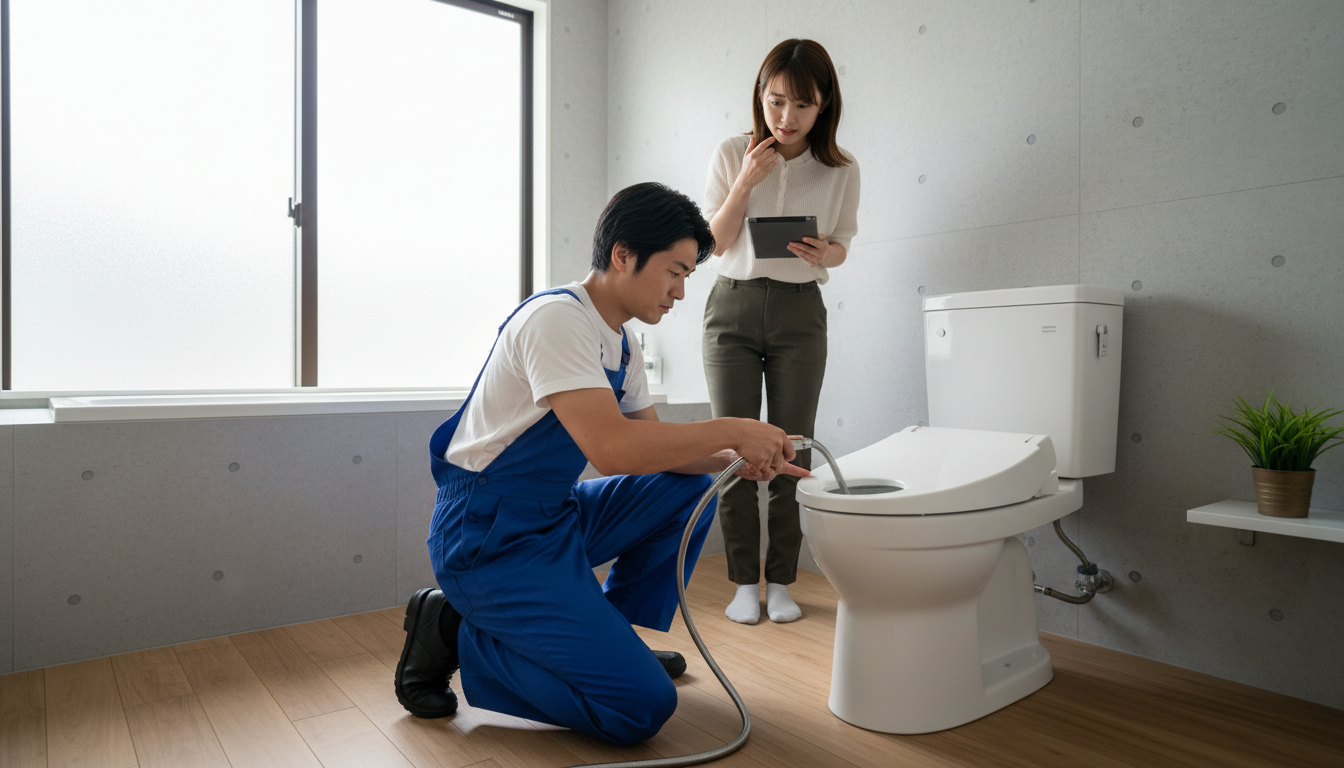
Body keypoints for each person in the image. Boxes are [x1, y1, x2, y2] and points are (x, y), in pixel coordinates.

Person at [393, 182, 809, 745]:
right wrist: (735, 428)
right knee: (640, 708)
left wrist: (734, 461)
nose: (680, 293)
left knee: (686, 487)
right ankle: (451, 629)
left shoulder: (623, 343)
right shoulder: (556, 320)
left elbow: (656, 451)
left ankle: (609, 636)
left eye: (687, 276)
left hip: (553, 516)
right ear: (622, 255)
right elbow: (612, 451)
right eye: (675, 271)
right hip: (488, 534)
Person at [702, 39, 860, 625]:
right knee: (735, 450)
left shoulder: (841, 169)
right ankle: (745, 580)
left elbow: (843, 245)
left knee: (793, 447)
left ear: (824, 107)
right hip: (732, 308)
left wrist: (827, 250)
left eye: (801, 105)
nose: (785, 118)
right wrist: (745, 180)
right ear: (760, 98)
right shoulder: (729, 153)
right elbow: (712, 244)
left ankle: (784, 580)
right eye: (774, 102)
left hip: (800, 311)